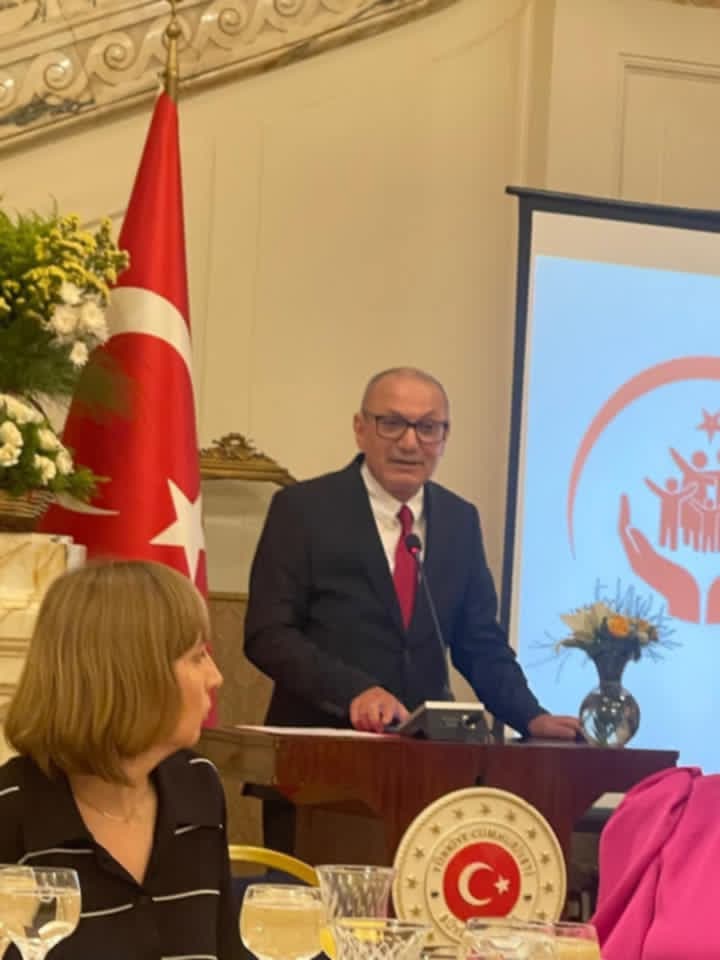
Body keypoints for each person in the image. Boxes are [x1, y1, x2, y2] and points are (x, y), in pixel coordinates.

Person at [245, 366, 580, 739]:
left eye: (427, 428)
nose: (409, 443)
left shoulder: (459, 520)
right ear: (360, 429)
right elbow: (268, 634)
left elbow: (480, 642)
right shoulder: (303, 509)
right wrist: (354, 691)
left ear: (444, 436)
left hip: (423, 751)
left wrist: (531, 717)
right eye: (391, 424)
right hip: (317, 745)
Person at [0, 559, 241, 960]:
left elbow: (227, 951)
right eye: (197, 656)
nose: (215, 677)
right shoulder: (12, 810)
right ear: (135, 675)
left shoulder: (197, 785)